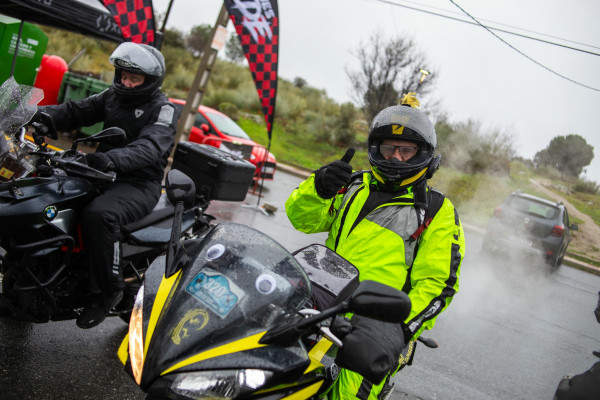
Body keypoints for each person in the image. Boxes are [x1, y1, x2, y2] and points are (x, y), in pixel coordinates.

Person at [285, 94, 464, 399]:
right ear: (376, 148)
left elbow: (439, 284)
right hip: (320, 307)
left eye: (406, 151)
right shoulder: (353, 185)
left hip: (371, 330)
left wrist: (399, 329)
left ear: (422, 154)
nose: (396, 158)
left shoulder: (436, 210)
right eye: (389, 149)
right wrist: (319, 188)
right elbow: (301, 219)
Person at [36, 42, 178, 328]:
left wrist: (110, 159)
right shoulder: (113, 95)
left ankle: (107, 290)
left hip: (138, 183)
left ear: (150, 81)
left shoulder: (163, 109)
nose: (126, 83)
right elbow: (76, 110)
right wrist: (39, 116)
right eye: (123, 76)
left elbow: (150, 147)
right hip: (101, 172)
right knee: (48, 193)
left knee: (100, 214)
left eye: (134, 78)